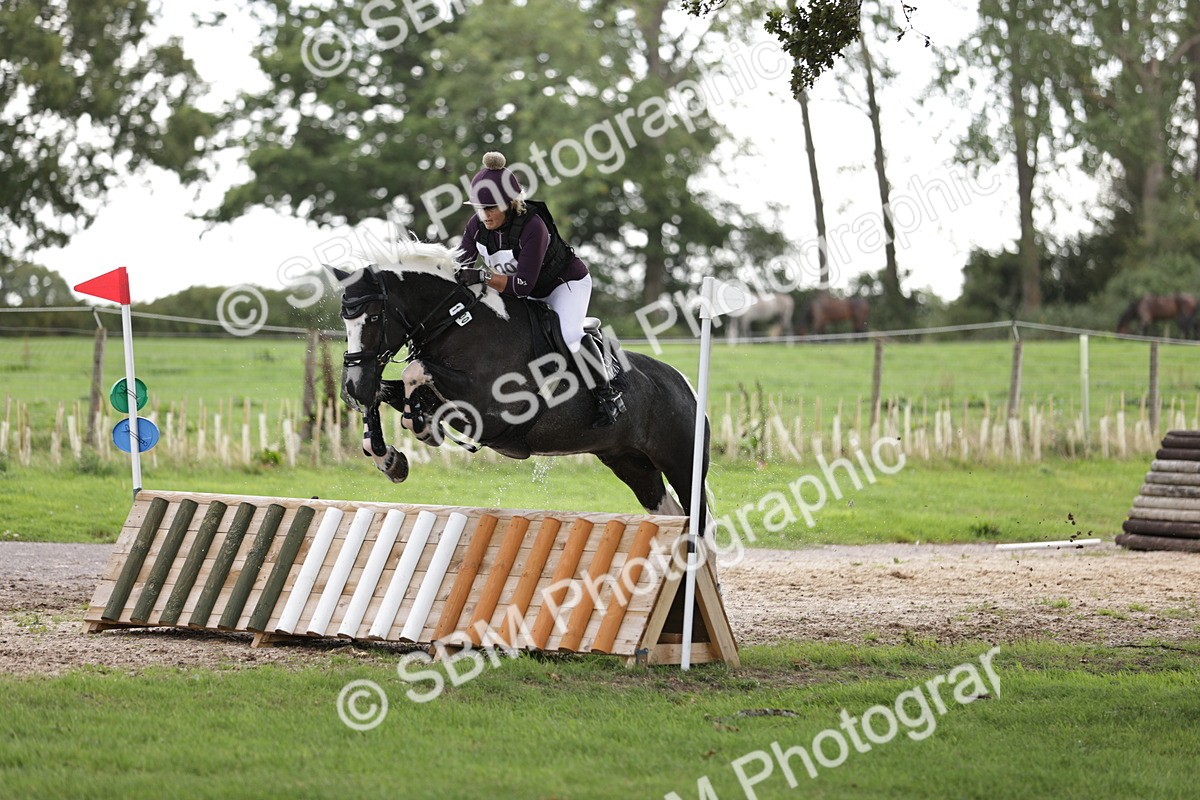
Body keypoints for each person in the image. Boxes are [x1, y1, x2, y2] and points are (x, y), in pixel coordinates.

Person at [455, 151, 625, 427]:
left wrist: (483, 276)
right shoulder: (476, 226)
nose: (484, 215)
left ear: (509, 203)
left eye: (491, 208)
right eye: (479, 208)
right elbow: (459, 265)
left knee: (569, 335)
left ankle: (608, 395)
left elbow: (523, 286)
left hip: (563, 284)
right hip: (520, 287)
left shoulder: (533, 226)